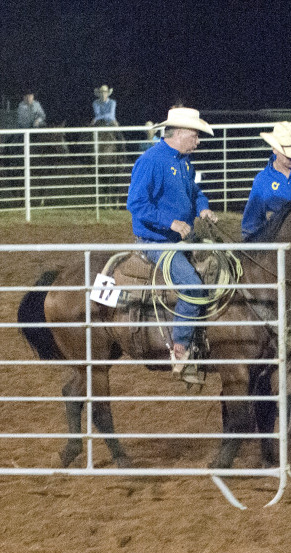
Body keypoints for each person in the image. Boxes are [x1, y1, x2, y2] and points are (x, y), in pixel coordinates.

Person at [125, 107, 218, 382]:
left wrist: (202, 208)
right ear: (178, 134)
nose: (198, 141)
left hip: (179, 238)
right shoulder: (150, 161)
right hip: (156, 241)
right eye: (195, 135)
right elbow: (136, 203)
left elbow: (195, 192)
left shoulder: (184, 162)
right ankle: (180, 347)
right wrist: (171, 223)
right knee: (192, 284)